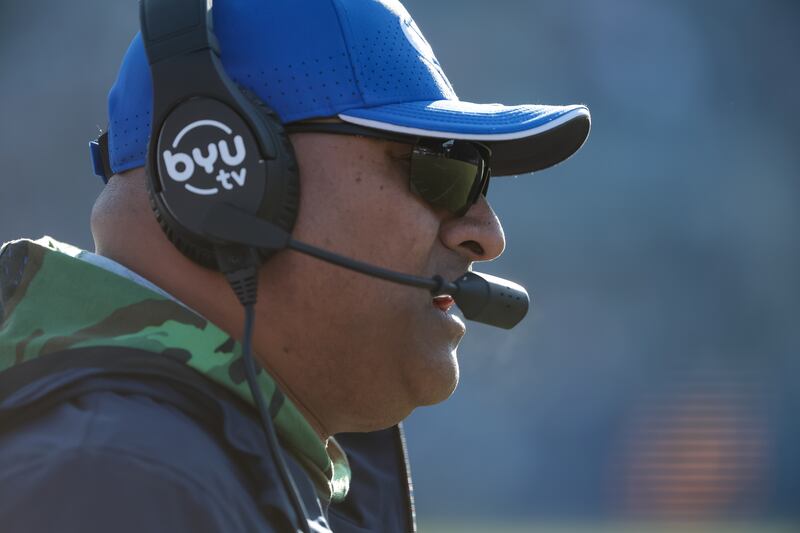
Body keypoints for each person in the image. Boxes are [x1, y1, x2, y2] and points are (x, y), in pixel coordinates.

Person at [0, 0, 590, 531]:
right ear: (223, 179)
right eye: (441, 169)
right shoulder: (114, 485)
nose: (487, 237)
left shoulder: (181, 468)